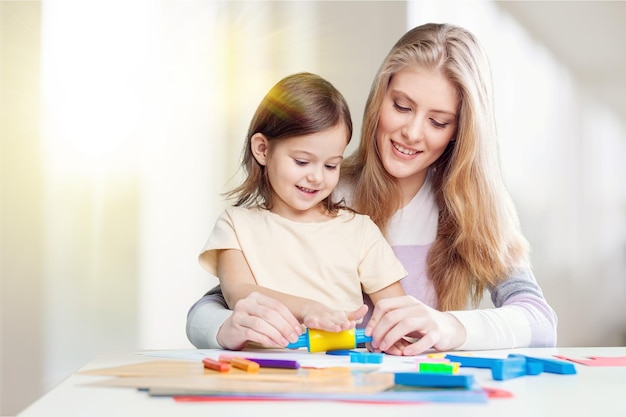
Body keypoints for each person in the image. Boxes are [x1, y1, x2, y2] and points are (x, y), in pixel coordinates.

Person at [187, 23, 558, 355]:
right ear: (379, 98)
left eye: (438, 121)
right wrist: (224, 328)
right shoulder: (322, 191)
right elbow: (218, 302)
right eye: (401, 106)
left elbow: (540, 320)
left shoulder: (479, 208)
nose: (412, 132)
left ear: (460, 132)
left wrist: (452, 327)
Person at [198, 72, 407, 350]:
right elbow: (241, 295)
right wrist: (308, 309)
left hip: (339, 378)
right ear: (262, 149)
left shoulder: (360, 231)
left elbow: (397, 312)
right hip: (261, 377)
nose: (317, 177)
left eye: (331, 165)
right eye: (302, 161)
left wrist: (394, 337)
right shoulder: (235, 225)